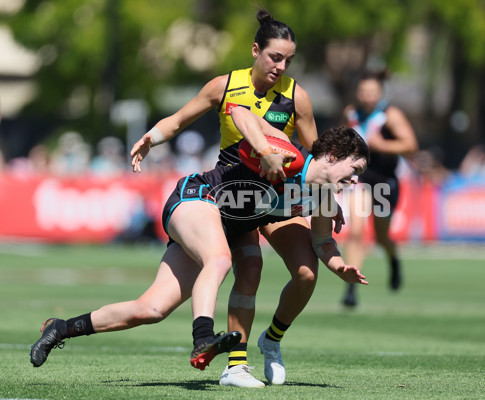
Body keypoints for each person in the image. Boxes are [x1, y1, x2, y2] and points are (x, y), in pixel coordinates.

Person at [29, 107, 370, 385]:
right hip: (197, 196)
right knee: (219, 260)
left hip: (220, 224)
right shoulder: (289, 155)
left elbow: (323, 241)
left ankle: (61, 327)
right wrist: (266, 151)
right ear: (334, 154)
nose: (355, 180)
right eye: (354, 170)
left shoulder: (324, 197)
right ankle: (203, 338)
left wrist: (340, 267)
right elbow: (240, 113)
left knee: (151, 309)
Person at [130, 8, 342, 387]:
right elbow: (177, 121)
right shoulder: (224, 86)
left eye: (288, 60)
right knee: (249, 268)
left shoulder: (297, 97)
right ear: (255, 50)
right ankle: (236, 366)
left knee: (307, 273)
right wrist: (151, 138)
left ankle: (272, 340)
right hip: (235, 195)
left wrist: (330, 198)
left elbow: (317, 155)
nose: (281, 66)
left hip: (278, 197)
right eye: (275, 57)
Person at [340, 70, 418, 307]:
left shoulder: (390, 115)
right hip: (360, 180)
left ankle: (393, 259)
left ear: (380, 93)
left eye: (372, 92)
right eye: (363, 92)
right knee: (356, 232)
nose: (367, 96)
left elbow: (410, 145)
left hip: (385, 182)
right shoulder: (351, 113)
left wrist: (381, 145)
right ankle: (351, 289)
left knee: (382, 237)